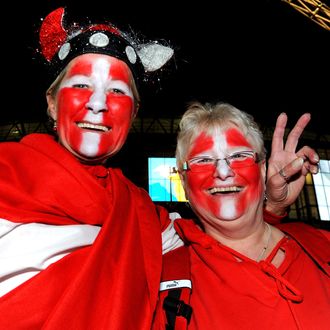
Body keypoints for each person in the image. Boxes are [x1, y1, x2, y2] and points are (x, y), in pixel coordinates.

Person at [0, 7, 320, 330]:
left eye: (117, 91)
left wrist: (270, 202)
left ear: (133, 114)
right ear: (52, 102)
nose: (98, 104)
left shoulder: (147, 219)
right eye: (82, 85)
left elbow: (232, 233)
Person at [152, 101, 329, 330]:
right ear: (183, 181)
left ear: (262, 169)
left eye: (239, 156)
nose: (223, 172)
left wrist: (273, 207)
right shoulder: (167, 280)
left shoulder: (321, 246)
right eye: (203, 160)